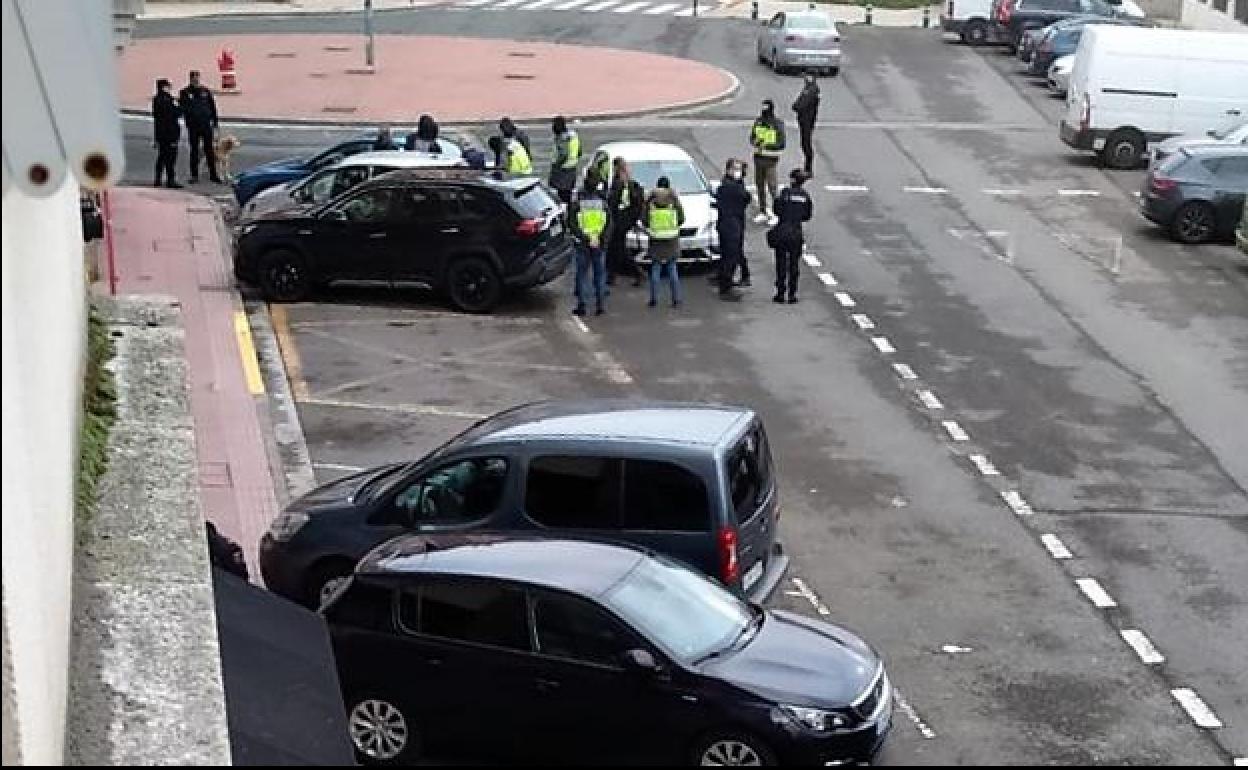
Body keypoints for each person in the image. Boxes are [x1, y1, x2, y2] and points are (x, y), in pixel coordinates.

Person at [568, 170, 609, 316]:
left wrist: (586, 238)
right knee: (599, 275)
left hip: (583, 245)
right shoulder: (603, 203)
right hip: (598, 243)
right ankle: (600, 305)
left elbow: (572, 224)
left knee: (582, 275)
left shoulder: (578, 203)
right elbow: (609, 224)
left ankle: (582, 305)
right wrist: (600, 239)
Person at [769, 168, 813, 304]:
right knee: (794, 264)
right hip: (796, 233)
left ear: (792, 180)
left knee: (781, 263)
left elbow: (776, 209)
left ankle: (780, 293)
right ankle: (792, 294)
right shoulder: (805, 196)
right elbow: (807, 216)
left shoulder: (785, 194)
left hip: (782, 230)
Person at [644, 176, 685, 309]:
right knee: (672, 270)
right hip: (672, 240)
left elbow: (644, 219)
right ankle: (676, 299)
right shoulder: (673, 200)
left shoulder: (651, 202)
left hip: (656, 240)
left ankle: (654, 299)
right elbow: (681, 219)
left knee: (655, 270)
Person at [715, 158, 752, 299]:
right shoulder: (732, 187)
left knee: (728, 255)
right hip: (731, 224)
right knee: (731, 256)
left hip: (728, 223)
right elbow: (745, 197)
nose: (739, 172)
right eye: (736, 169)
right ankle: (726, 287)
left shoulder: (727, 184)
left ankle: (725, 281)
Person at [606, 156, 645, 287]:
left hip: (619, 221)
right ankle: (613, 275)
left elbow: (614, 203)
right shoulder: (629, 182)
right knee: (615, 249)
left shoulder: (619, 183)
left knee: (618, 249)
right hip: (625, 220)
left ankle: (635, 272)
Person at [179, 70, 221, 184]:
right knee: (194, 150)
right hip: (193, 126)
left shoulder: (205, 91)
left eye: (197, 78)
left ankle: (213, 174)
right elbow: (183, 108)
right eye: (194, 78)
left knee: (209, 150)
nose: (196, 80)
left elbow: (212, 107)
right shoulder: (185, 92)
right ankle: (194, 175)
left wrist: (215, 123)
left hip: (206, 125)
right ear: (190, 79)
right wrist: (189, 120)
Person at [749, 99, 786, 225]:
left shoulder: (777, 124)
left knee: (772, 187)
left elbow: (781, 143)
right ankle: (763, 210)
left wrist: (767, 144)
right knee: (760, 186)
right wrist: (756, 142)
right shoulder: (758, 122)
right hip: (758, 158)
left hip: (770, 159)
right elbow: (752, 137)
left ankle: (777, 213)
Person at [151, 78, 182, 188]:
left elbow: (156, 118)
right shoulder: (168, 100)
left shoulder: (156, 100)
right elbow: (177, 113)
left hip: (161, 133)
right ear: (164, 87)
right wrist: (179, 105)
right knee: (171, 157)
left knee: (162, 156)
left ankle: (158, 179)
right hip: (170, 132)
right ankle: (170, 179)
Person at [548, 115, 582, 206]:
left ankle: (565, 214)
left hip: (563, 171)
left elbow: (563, 154)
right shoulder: (574, 135)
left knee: (562, 196)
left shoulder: (562, 138)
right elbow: (579, 151)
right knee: (569, 194)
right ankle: (569, 211)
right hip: (572, 168)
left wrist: (556, 164)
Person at [792, 74, 821, 175]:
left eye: (808, 76)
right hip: (805, 119)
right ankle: (807, 167)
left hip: (807, 120)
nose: (806, 78)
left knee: (806, 143)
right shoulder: (809, 88)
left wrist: (796, 106)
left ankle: (808, 169)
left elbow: (802, 103)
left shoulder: (811, 90)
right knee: (804, 143)